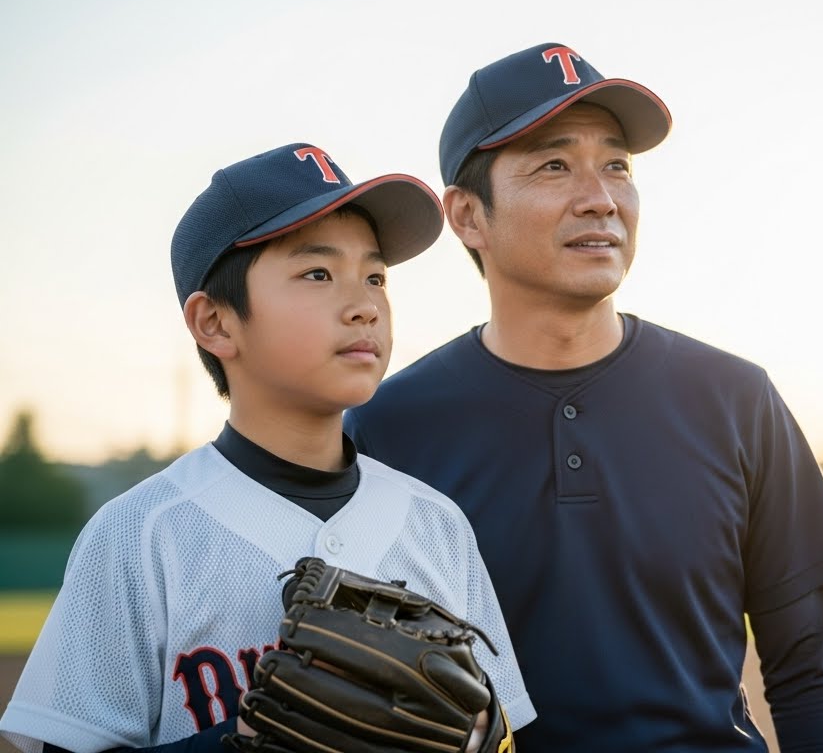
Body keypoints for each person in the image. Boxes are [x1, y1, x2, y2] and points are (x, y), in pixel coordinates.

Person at [345, 43, 823, 752]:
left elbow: (810, 668)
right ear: (467, 216)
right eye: (554, 165)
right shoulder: (387, 429)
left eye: (616, 164)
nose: (601, 197)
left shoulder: (736, 398)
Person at [0, 144, 534, 753]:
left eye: (376, 276)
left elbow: (503, 732)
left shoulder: (437, 525)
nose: (364, 306)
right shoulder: (139, 534)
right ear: (217, 324)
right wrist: (239, 743)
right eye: (317, 273)